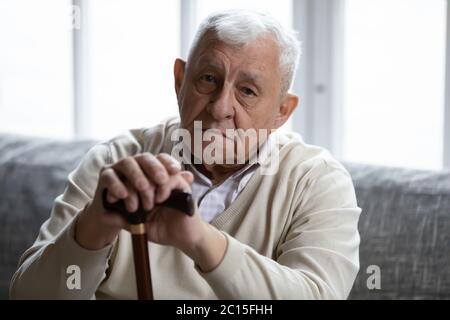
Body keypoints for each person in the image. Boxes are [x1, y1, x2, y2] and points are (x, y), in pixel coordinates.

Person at [10, 10, 361, 299]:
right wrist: (94, 226)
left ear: (282, 111)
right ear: (180, 80)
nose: (221, 107)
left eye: (248, 91)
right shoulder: (116, 162)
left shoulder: (318, 181)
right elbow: (29, 295)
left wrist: (199, 239)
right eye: (208, 79)